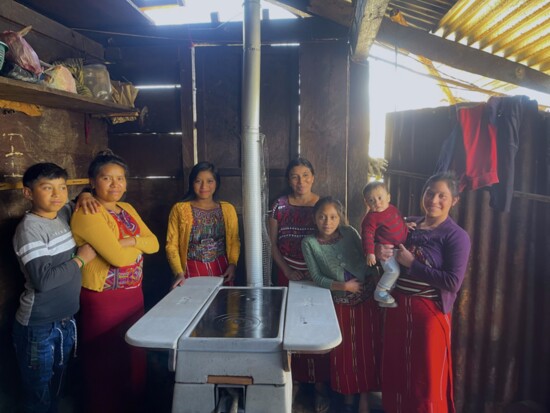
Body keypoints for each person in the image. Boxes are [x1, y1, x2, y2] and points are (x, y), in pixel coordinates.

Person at [70, 150, 159, 413]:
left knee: (132, 353)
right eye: (107, 178)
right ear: (93, 181)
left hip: (133, 294)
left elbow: (153, 243)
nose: (115, 185)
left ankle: (133, 403)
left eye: (120, 178)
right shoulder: (88, 211)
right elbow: (118, 259)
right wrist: (134, 247)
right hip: (103, 298)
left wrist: (131, 241)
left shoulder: (127, 208)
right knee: (106, 358)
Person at [375, 172, 471, 413]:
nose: (434, 200)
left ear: (454, 201)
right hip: (398, 310)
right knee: (397, 371)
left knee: (425, 378)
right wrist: (380, 252)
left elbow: (452, 282)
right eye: (430, 193)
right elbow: (383, 251)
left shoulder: (456, 236)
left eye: (442, 196)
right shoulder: (408, 224)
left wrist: (412, 264)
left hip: (428, 316)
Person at [12, 163, 96, 413]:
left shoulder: (62, 213)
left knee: (59, 381)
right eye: (47, 188)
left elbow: (80, 198)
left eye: (62, 187)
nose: (57, 194)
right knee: (39, 392)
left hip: (65, 320)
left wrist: (85, 194)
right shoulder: (29, 229)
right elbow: (44, 281)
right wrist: (81, 259)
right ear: (28, 193)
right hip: (39, 325)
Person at [302, 196, 381, 413]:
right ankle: (346, 400)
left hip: (366, 301)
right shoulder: (309, 243)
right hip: (339, 305)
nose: (328, 222)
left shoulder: (350, 233)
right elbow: (317, 277)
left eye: (333, 217)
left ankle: (364, 400)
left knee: (367, 350)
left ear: (340, 217)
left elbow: (368, 258)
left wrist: (374, 280)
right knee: (343, 354)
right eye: (322, 217)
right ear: (314, 218)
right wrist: (342, 286)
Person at [268, 157, 331, 412]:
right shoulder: (279, 206)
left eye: (305, 175)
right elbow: (272, 245)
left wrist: (316, 273)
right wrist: (287, 270)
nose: (300, 181)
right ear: (288, 180)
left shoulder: (323, 205)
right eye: (295, 176)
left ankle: (319, 387)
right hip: (288, 275)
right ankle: (291, 384)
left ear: (313, 177)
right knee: (289, 331)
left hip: (318, 279)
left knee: (316, 329)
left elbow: (333, 240)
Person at [166, 161, 240, 287]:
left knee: (222, 305)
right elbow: (171, 245)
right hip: (191, 270)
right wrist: (179, 272)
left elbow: (234, 240)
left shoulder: (228, 209)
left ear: (217, 183)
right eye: (198, 181)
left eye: (210, 181)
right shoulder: (180, 209)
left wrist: (232, 265)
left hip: (222, 269)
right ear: (192, 183)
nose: (204, 186)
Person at [361, 181, 408, 308]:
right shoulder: (370, 218)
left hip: (398, 247)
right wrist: (370, 253)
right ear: (367, 203)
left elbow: (399, 220)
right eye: (371, 200)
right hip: (386, 251)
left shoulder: (392, 209)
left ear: (388, 197)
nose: (377, 202)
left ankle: (387, 293)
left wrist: (406, 226)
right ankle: (380, 292)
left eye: (380, 197)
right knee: (393, 271)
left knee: (397, 273)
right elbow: (367, 236)